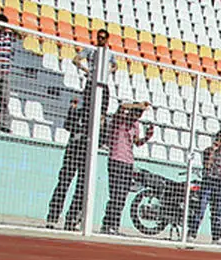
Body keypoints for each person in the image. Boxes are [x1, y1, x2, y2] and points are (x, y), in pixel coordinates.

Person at [101, 102, 153, 235]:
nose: (138, 116)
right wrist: (140, 105)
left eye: (140, 114)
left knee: (122, 196)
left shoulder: (135, 125)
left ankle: (113, 225)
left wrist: (147, 137)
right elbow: (122, 107)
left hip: (128, 162)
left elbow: (137, 143)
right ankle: (108, 224)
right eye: (137, 113)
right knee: (115, 195)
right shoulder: (120, 119)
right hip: (116, 159)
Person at [46, 96, 90, 229]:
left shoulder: (97, 117)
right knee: (63, 183)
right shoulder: (78, 112)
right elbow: (68, 125)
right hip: (72, 151)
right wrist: (72, 110)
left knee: (82, 188)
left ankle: (71, 219)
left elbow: (102, 138)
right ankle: (52, 217)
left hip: (86, 155)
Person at [192, 130, 221, 244]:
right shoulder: (208, 151)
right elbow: (207, 165)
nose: (220, 142)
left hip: (218, 183)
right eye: (219, 139)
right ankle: (192, 233)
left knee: (217, 210)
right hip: (208, 181)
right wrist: (213, 151)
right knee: (201, 208)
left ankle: (216, 236)